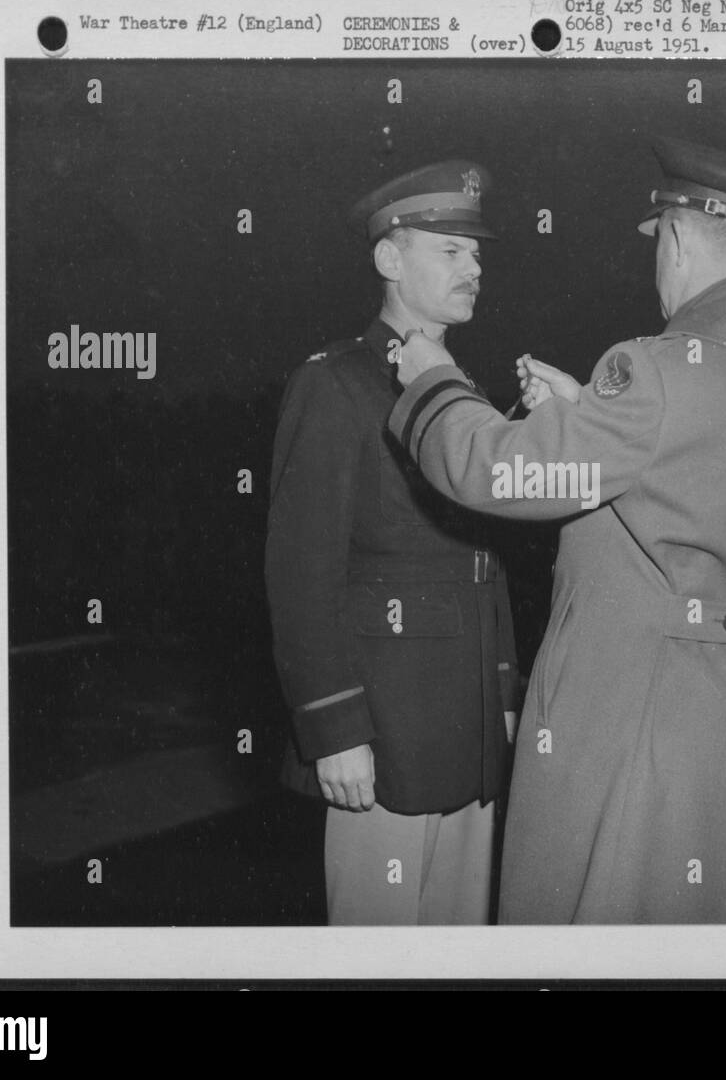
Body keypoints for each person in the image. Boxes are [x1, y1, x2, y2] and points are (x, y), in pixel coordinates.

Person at [389, 137, 726, 923]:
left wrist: (433, 380)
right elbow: (684, 479)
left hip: (631, 713)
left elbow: (495, 470)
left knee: (593, 924)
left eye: (659, 242)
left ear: (682, 239)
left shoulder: (656, 370)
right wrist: (585, 410)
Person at [264, 159, 519, 925]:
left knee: (460, 956)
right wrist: (334, 728)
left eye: (477, 253)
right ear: (388, 259)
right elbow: (301, 572)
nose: (474, 268)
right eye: (450, 250)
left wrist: (501, 695)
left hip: (467, 733)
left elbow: (483, 565)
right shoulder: (335, 383)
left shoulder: (458, 392)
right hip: (383, 737)